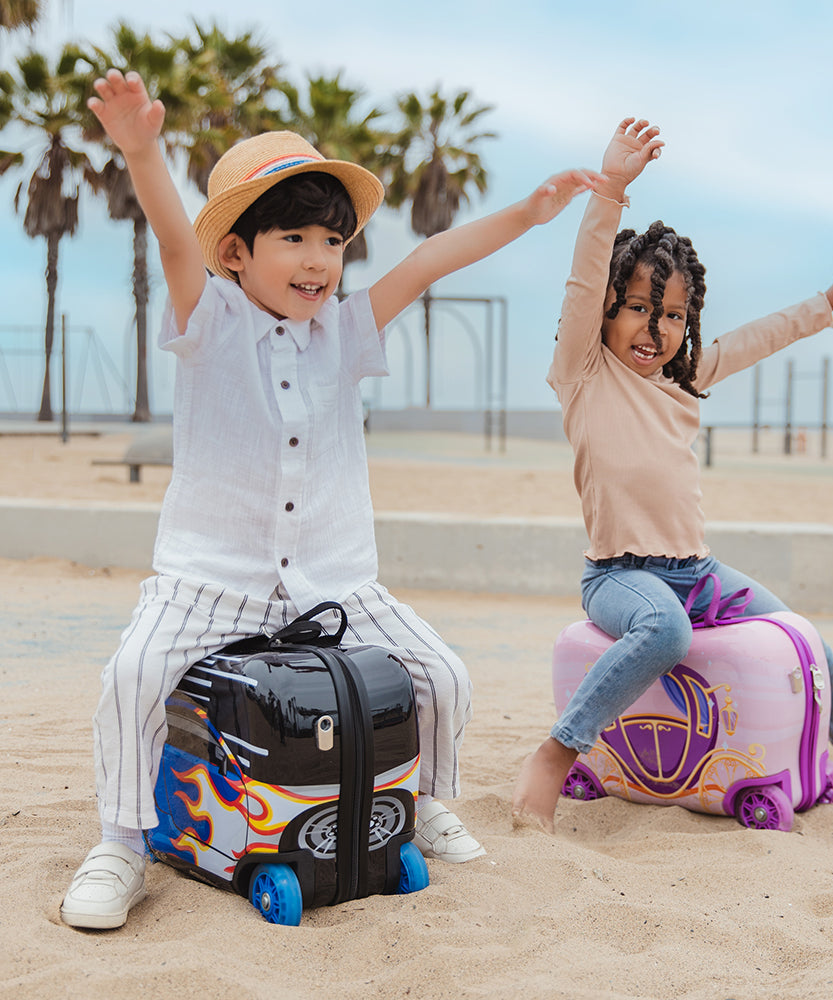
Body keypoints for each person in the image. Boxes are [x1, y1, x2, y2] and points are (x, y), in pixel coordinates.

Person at [60, 69, 602, 930]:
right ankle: (121, 844)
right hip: (208, 580)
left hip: (335, 585)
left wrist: (529, 215)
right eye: (295, 237)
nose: (319, 258)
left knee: (444, 676)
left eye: (333, 240)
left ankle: (422, 804)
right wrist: (141, 151)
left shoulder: (345, 331)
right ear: (237, 251)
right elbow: (170, 239)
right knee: (131, 676)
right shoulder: (210, 321)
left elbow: (427, 259)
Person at [511, 117, 833, 834]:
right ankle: (559, 750)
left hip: (698, 568)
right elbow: (585, 273)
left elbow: (754, 339)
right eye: (639, 310)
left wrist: (825, 304)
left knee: (795, 627)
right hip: (620, 574)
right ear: (607, 312)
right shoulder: (583, 373)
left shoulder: (686, 379)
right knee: (666, 633)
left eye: (673, 315)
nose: (655, 330)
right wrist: (612, 187)